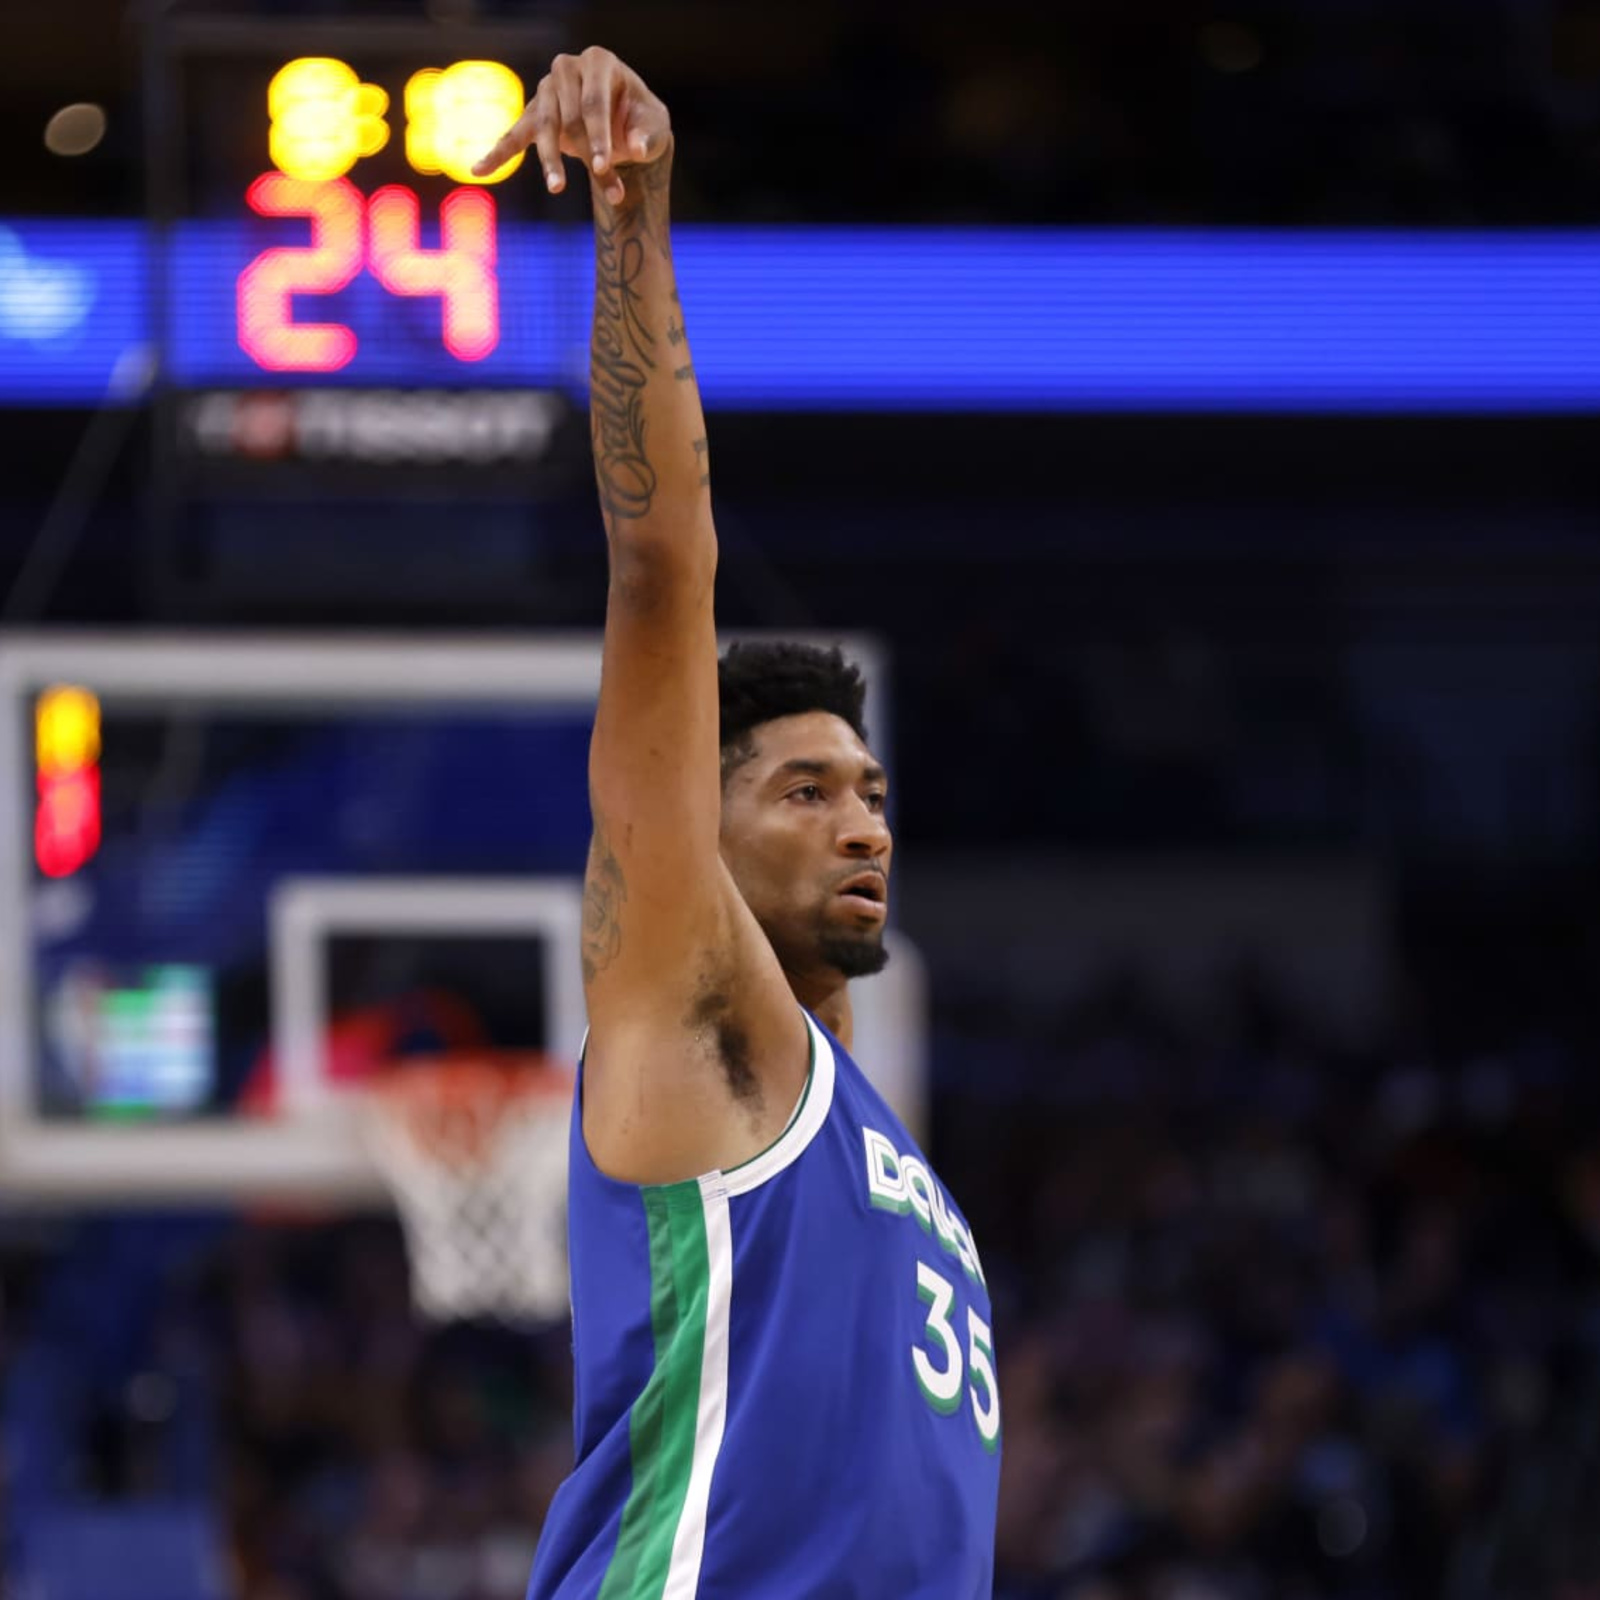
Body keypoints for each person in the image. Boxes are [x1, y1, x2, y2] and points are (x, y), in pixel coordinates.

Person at [475, 48, 1000, 1598]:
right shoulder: (696, 1016)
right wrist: (633, 228)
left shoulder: (879, 1145)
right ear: (692, 826)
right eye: (805, 790)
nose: (862, 826)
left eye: (874, 794)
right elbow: (660, 568)